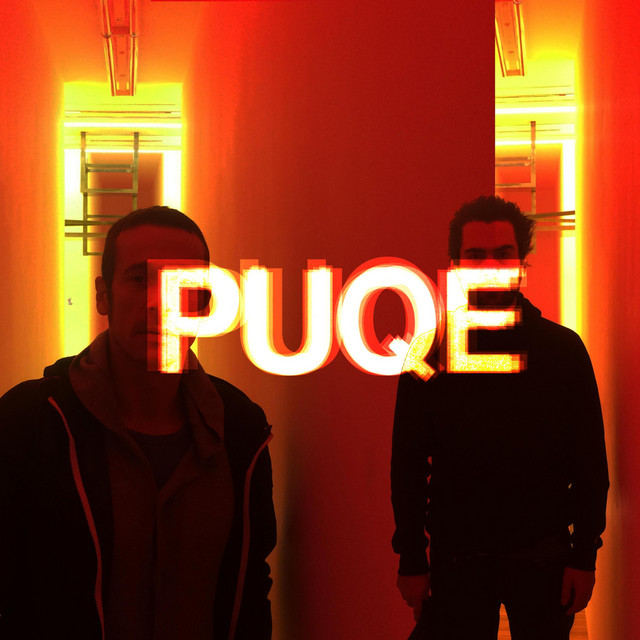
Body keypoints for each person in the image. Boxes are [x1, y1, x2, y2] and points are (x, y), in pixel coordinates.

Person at [0, 206, 276, 640]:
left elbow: (251, 583)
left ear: (204, 305)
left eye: (182, 285)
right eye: (138, 278)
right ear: (102, 295)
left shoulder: (240, 427)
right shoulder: (29, 424)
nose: (159, 302)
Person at [391, 195, 609, 639]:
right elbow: (407, 467)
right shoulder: (429, 353)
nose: (490, 267)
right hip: (459, 560)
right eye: (476, 256)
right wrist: (411, 559)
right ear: (456, 265)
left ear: (522, 262)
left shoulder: (562, 351)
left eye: (502, 254)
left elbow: (589, 463)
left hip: (543, 557)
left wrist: (584, 555)